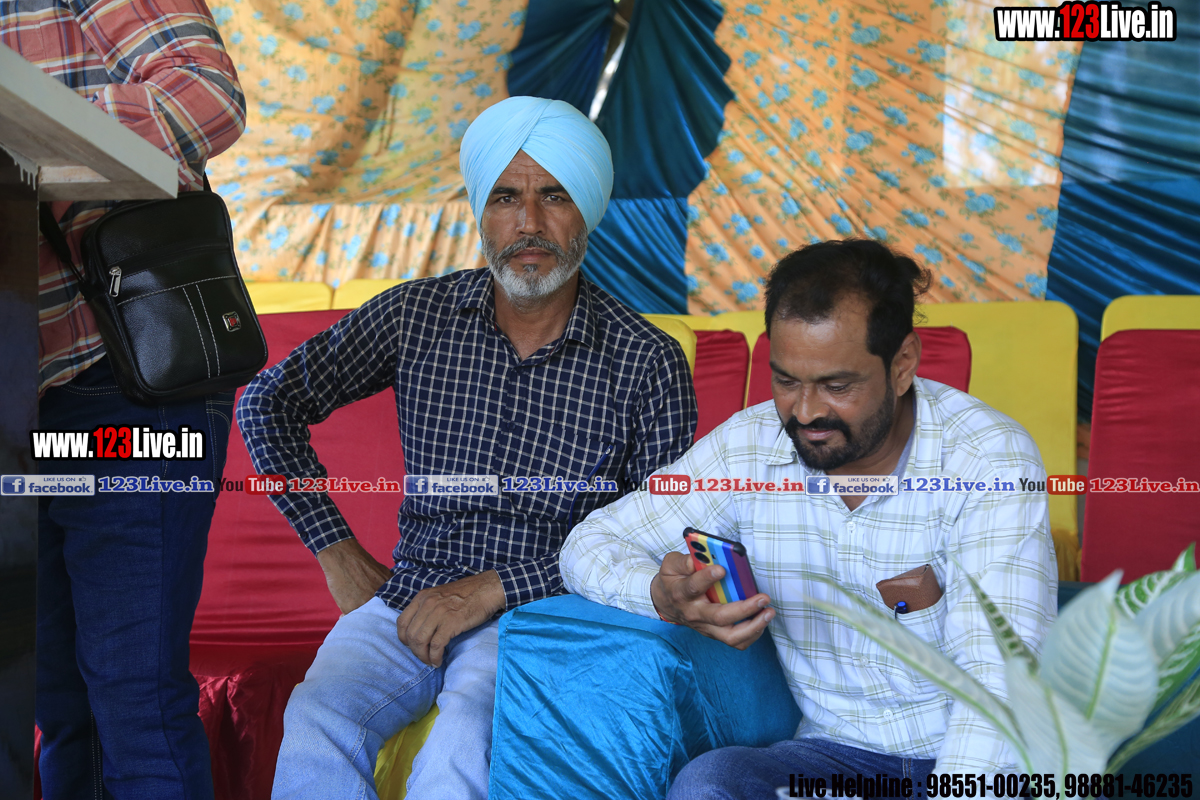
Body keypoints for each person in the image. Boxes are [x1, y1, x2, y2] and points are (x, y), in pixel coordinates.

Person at [238, 95, 697, 799]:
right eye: (506, 197)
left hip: (542, 616)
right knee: (316, 719)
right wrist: (335, 550)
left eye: (554, 196)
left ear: (587, 211)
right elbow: (266, 402)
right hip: (406, 597)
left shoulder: (646, 360)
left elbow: (653, 538)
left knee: (464, 743)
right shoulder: (416, 315)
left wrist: (494, 589)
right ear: (482, 210)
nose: (529, 223)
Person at [560, 239, 1058, 796]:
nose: (805, 412)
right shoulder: (748, 449)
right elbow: (590, 542)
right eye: (786, 381)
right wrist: (659, 596)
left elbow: (1000, 686)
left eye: (837, 386)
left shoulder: (988, 459)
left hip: (995, 764)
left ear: (902, 365)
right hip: (833, 757)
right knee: (710, 785)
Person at [0, 0, 246, 796]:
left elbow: (207, 96)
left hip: (125, 382)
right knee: (56, 704)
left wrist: (26, 136)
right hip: (18, 402)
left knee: (133, 700)